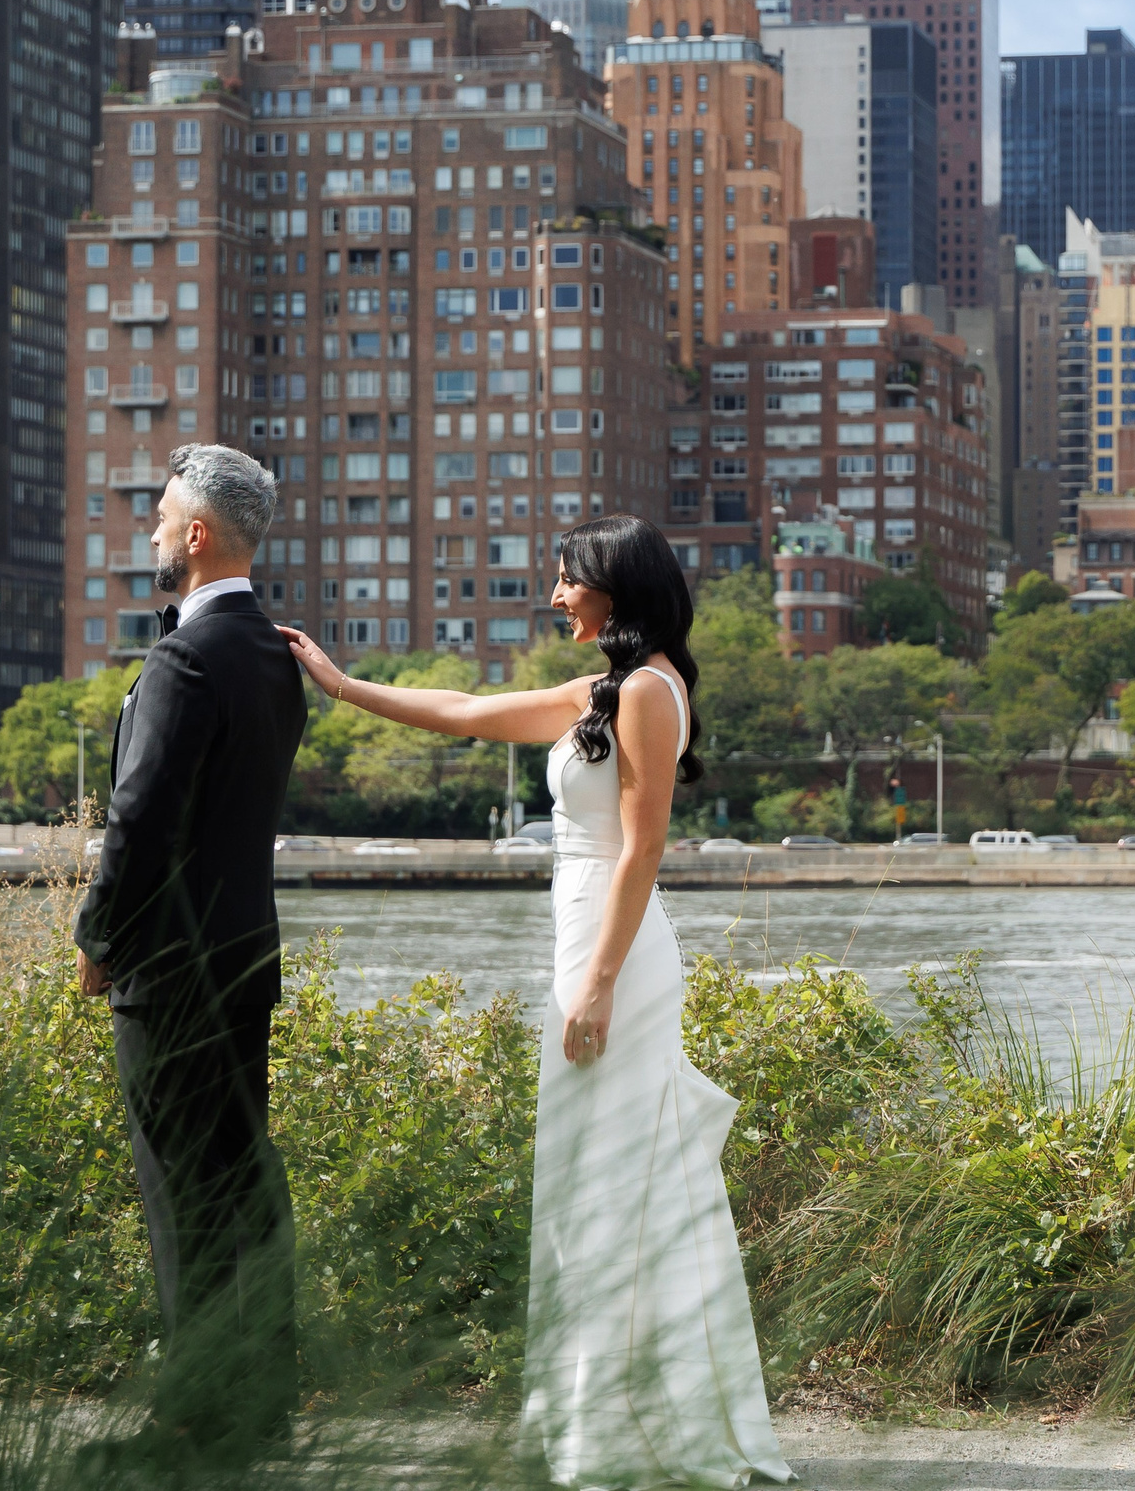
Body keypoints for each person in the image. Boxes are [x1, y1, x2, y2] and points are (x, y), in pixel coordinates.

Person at [278, 514, 793, 1490]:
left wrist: (598, 982)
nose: (554, 594)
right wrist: (342, 685)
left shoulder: (645, 690)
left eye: (566, 578)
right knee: (590, 1181)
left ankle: (628, 1420)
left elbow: (643, 845)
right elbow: (467, 709)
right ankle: (605, 1408)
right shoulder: (605, 690)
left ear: (610, 586)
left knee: (616, 1181)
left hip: (616, 950)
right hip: (588, 939)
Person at [73, 443, 309, 1470]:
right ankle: (255, 1399)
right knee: (241, 1181)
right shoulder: (272, 654)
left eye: (164, 517)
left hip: (169, 968)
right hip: (244, 953)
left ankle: (188, 1417)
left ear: (199, 533)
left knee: (181, 1192)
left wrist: (95, 937)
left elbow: (140, 817)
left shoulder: (183, 658)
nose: (156, 532)